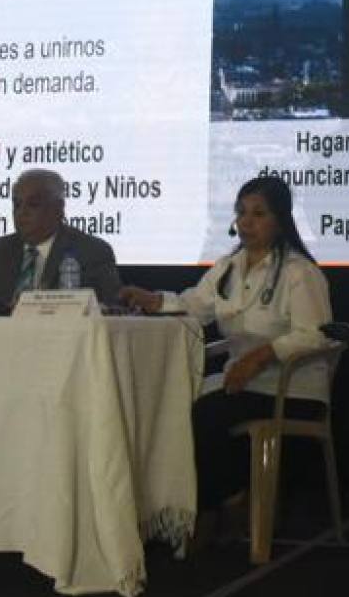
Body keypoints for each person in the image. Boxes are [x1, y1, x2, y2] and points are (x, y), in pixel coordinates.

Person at [124, 175, 333, 528]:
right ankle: (213, 503)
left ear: (280, 219)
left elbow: (316, 335)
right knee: (169, 409)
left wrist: (260, 356)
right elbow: (195, 305)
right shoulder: (228, 267)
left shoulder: (299, 272)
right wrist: (154, 300)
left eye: (258, 214)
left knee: (206, 415)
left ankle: (211, 510)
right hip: (240, 381)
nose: (246, 222)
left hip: (290, 388)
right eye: (241, 212)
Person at [0, 168, 122, 316]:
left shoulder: (92, 252)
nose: (22, 213)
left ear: (58, 208)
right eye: (17, 205)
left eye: (33, 205)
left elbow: (109, 310)